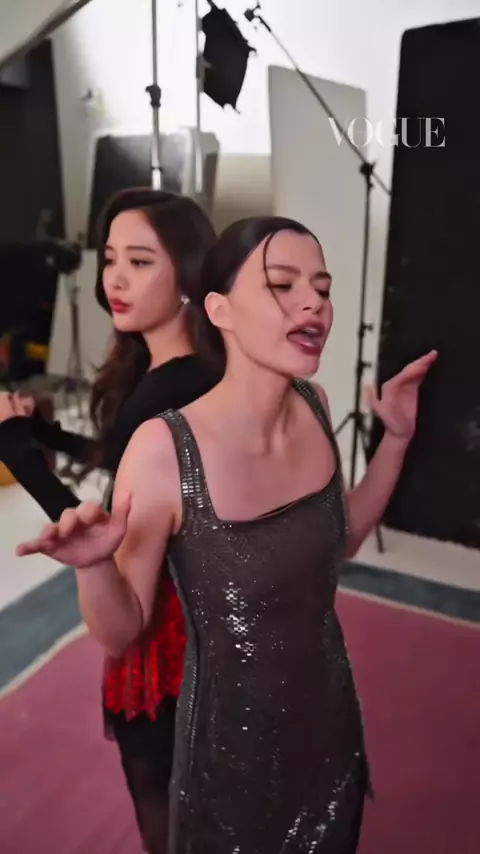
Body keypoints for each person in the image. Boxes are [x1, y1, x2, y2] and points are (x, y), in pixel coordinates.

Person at [16, 216, 437, 853]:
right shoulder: (164, 449)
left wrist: (396, 440)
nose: (313, 303)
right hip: (231, 758)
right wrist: (94, 565)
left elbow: (342, 537)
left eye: (322, 288)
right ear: (220, 310)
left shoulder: (315, 404)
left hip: (330, 727)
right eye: (282, 284)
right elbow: (123, 630)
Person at [0, 188, 222, 854]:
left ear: (189, 275)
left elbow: (100, 534)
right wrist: (48, 436)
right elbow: (127, 462)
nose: (115, 280)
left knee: (169, 820)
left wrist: (17, 453)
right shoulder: (189, 372)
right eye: (111, 260)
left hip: (168, 633)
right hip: (205, 621)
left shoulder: (164, 391)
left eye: (141, 262)